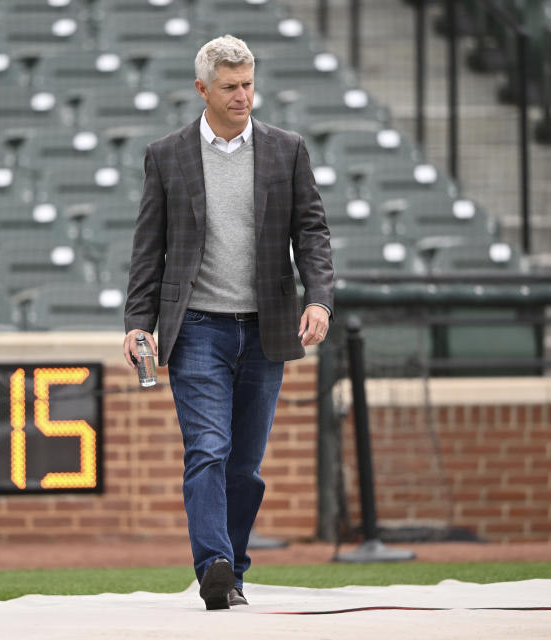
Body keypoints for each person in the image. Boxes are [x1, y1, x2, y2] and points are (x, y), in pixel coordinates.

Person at [122, 34, 334, 610]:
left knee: (245, 467)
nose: (242, 96)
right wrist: (138, 321)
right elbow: (150, 247)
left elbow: (311, 231)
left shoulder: (286, 149)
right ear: (202, 90)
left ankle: (232, 569)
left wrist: (320, 299)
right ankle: (213, 564)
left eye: (248, 84)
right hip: (195, 328)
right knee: (208, 449)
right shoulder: (167, 155)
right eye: (230, 87)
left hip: (266, 329)